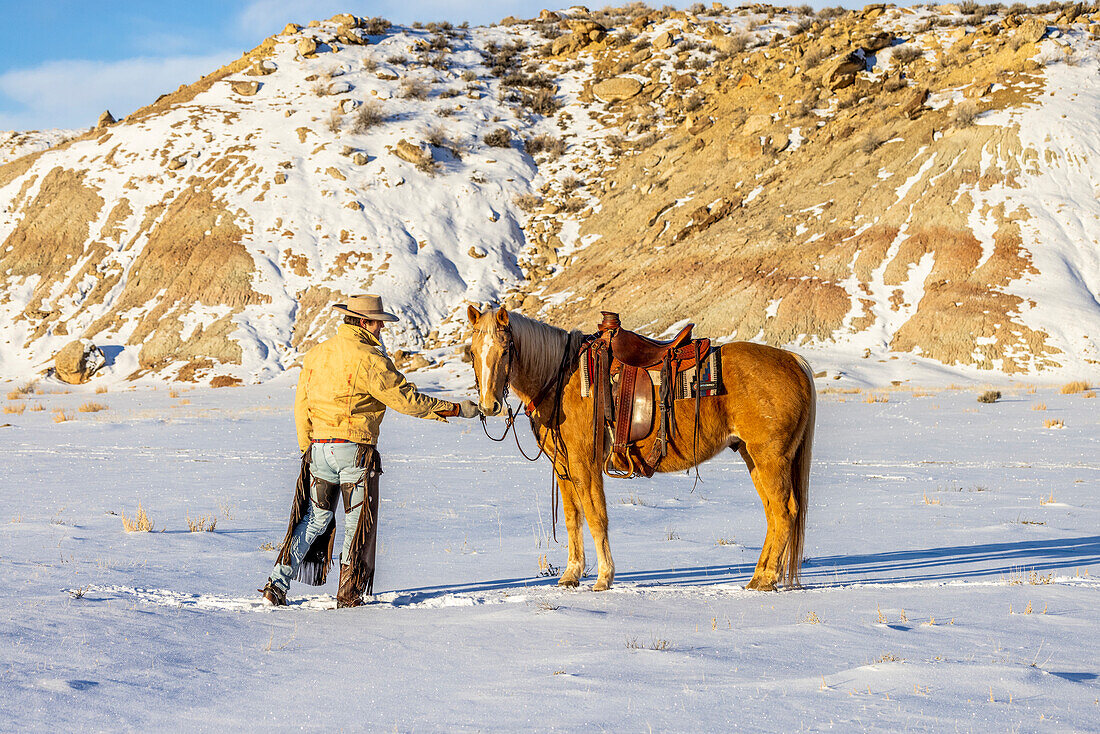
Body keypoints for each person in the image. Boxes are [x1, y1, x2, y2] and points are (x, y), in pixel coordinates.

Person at [260, 294, 480, 608]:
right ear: (365, 322)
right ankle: (348, 595)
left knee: (313, 519)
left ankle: (275, 586)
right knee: (355, 523)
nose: (381, 330)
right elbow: (407, 400)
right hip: (355, 452)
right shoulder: (371, 359)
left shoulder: (316, 355)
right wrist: (456, 409)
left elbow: (301, 406)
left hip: (318, 450)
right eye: (378, 323)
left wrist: (306, 448)